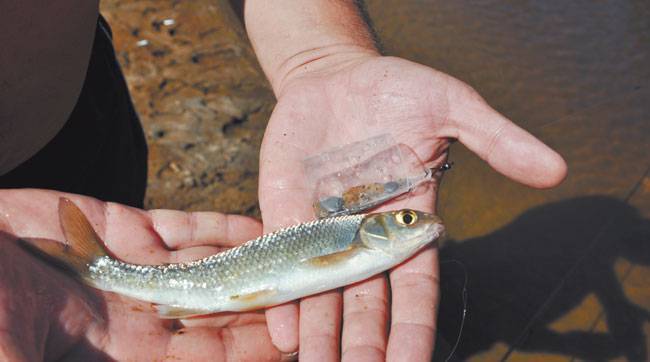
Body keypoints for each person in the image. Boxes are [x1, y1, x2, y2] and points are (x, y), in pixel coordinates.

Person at [0, 1, 567, 361]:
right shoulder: (351, 241)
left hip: (74, 118)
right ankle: (102, 270)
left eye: (406, 218)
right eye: (405, 218)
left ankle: (104, 268)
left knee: (129, 233)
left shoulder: (351, 236)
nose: (418, 223)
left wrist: (319, 52)